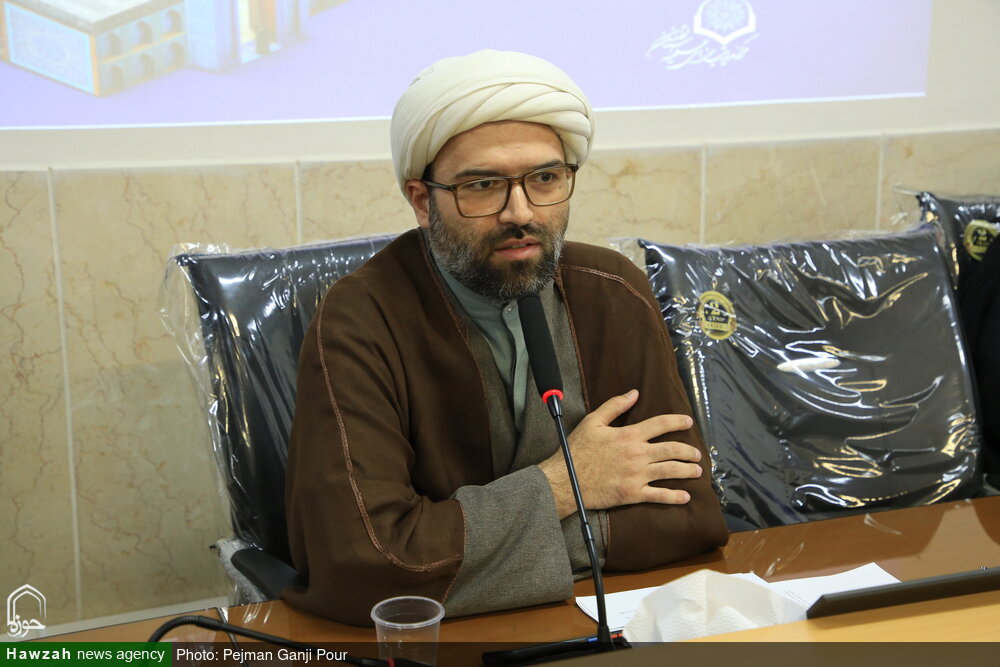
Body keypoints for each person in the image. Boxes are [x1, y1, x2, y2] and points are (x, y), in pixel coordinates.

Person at [283, 50, 728, 626]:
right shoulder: (361, 319)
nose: (520, 212)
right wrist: (563, 485)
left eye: (545, 178)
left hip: (602, 622)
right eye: (482, 185)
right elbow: (368, 561)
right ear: (422, 201)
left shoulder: (612, 291)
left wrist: (462, 548)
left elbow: (687, 516)